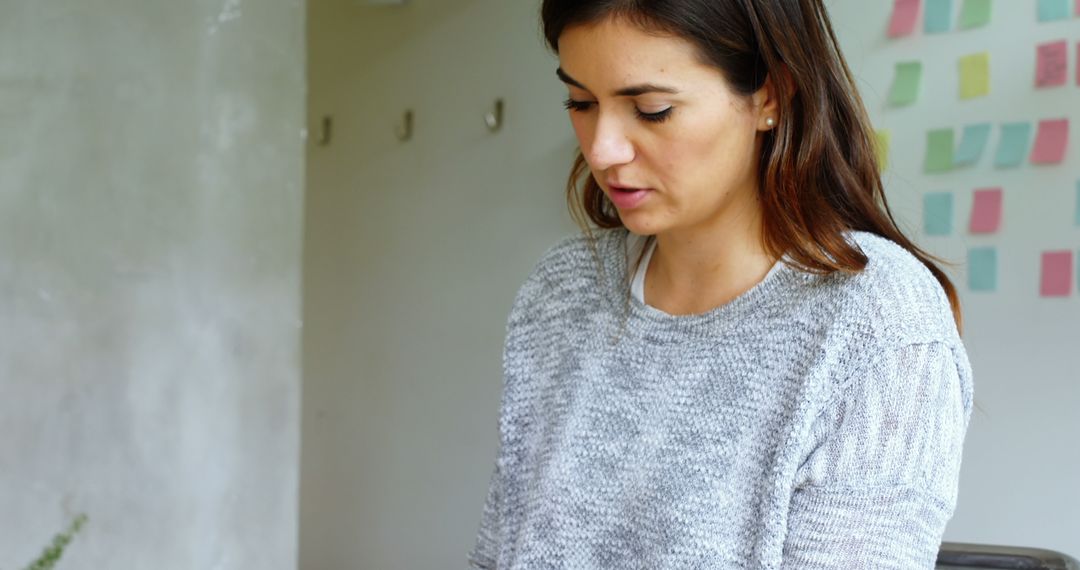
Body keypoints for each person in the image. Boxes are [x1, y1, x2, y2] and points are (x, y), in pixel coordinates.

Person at [468, 0, 974, 568]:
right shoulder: (563, 289)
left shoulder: (876, 324)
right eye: (580, 102)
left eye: (652, 109)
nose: (602, 149)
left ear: (770, 96)